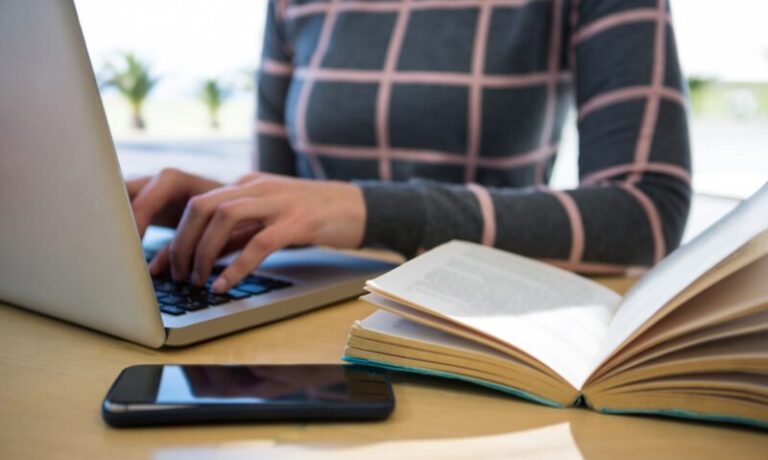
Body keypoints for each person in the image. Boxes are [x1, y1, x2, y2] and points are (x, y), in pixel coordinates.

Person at [128, 0, 691, 294]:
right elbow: (286, 191)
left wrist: (369, 209)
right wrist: (226, 206)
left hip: (478, 330)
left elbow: (645, 212)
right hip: (299, 340)